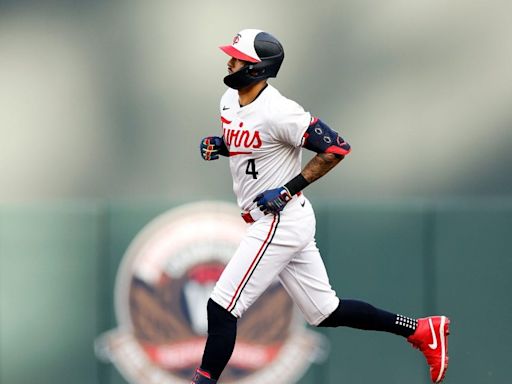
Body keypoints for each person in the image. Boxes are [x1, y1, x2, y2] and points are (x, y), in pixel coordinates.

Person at [194, 29, 450, 384]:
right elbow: (251, 141)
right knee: (324, 311)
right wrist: (221, 145)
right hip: (283, 219)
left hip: (278, 219)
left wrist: (287, 189)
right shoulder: (228, 100)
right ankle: (421, 330)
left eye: (238, 58)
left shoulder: (281, 111)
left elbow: (336, 148)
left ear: (256, 69)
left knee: (221, 306)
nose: (229, 61)